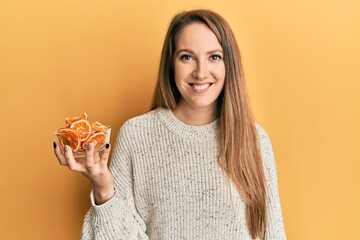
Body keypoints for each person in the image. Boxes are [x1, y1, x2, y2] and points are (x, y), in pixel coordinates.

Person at [54, 9, 286, 240]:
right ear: (171, 64)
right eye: (187, 57)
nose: (201, 72)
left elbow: (272, 234)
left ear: (229, 65)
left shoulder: (254, 139)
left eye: (214, 56)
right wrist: (103, 188)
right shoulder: (136, 135)